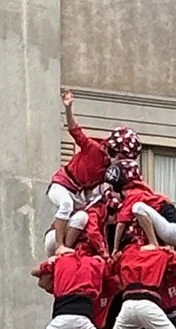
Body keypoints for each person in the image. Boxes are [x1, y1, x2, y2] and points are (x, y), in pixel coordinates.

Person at [45, 89, 111, 252]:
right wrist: (68, 108)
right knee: (66, 204)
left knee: (83, 217)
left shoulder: (107, 171)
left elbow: (90, 193)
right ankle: (60, 244)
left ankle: (66, 249)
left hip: (76, 193)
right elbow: (74, 130)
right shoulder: (94, 149)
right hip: (61, 183)